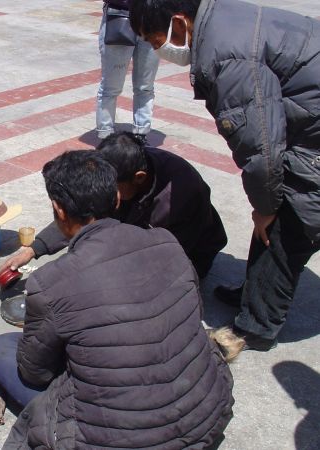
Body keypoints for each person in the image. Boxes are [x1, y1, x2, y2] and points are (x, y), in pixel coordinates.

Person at [0, 150, 240, 449]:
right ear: (117, 199)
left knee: (0, 348)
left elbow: (35, 373)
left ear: (58, 210)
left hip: (121, 439)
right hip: (203, 419)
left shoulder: (50, 282)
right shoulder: (167, 242)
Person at [129, 0, 320, 351]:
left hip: (313, 137)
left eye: (155, 40)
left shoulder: (225, 55)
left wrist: (265, 206)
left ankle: (255, 327)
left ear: (179, 23)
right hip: (309, 119)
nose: (157, 50)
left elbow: (260, 149)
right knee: (272, 208)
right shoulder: (221, 19)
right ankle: (258, 295)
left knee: (286, 221)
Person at [0, 132, 227, 279]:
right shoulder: (119, 173)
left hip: (186, 255)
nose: (108, 194)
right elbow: (81, 212)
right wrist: (33, 249)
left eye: (114, 188)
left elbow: (164, 258)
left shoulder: (178, 194)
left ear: (138, 177)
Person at [96, 0, 160, 143]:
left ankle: (141, 133)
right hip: (119, 16)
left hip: (151, 18)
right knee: (111, 87)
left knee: (145, 86)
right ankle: (106, 136)